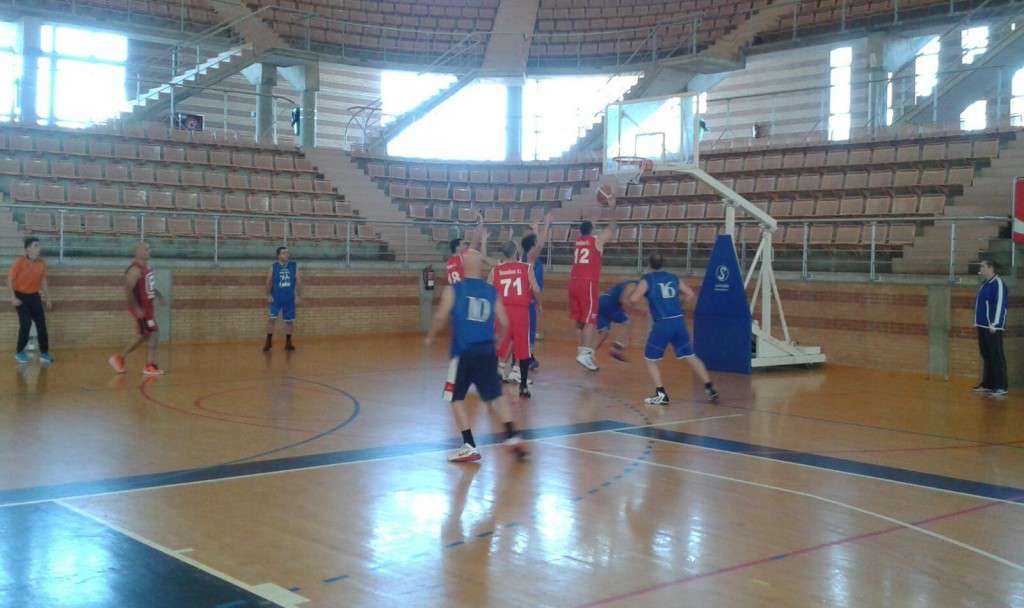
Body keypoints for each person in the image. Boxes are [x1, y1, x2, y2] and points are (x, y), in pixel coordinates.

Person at [425, 249, 527, 463]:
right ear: (481, 268)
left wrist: (430, 337)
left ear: (462, 267)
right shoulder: (491, 290)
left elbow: (440, 317)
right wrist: (497, 340)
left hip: (463, 352)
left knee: (455, 397)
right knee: (495, 396)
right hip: (487, 351)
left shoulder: (454, 289)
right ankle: (512, 436)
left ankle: (469, 445)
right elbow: (505, 322)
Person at [628, 253, 719, 405]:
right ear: (663, 263)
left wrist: (639, 300)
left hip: (662, 323)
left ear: (648, 264)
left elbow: (633, 299)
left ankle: (661, 394)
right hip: (678, 321)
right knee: (690, 355)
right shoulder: (673, 278)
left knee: (650, 359)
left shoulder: (647, 279)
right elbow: (690, 294)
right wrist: (678, 304)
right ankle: (709, 387)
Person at [569, 193, 617, 371]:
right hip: (587, 283)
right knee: (590, 320)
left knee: (580, 321)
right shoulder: (596, 241)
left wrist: (595, 213)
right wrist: (611, 208)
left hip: (573, 282)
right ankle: (585, 354)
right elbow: (612, 227)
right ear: (592, 230)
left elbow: (589, 226)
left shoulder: (578, 241)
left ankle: (582, 351)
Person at [490, 241, 542, 398]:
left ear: (503, 254)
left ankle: (494, 381)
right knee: (523, 349)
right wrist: (538, 303)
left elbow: (488, 289)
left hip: (502, 312)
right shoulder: (526, 268)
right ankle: (523, 386)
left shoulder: (496, 270)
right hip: (520, 312)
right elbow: (536, 289)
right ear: (515, 252)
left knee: (499, 346)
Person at [108, 241, 164, 376]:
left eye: (149, 249)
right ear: (138, 252)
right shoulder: (134, 270)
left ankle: (122, 359)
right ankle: (144, 364)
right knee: (149, 334)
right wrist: (136, 308)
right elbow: (128, 290)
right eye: (146, 249)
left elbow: (147, 286)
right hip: (142, 309)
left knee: (148, 334)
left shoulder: (146, 268)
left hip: (148, 308)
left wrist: (158, 294)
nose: (149, 251)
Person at [8, 237, 53, 365]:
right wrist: (13, 297)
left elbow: (43, 281)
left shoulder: (41, 263)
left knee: (41, 325)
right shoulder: (20, 261)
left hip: (34, 297)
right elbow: (10, 279)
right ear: (28, 248)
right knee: (26, 324)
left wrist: (48, 298)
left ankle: (44, 353)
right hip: (21, 297)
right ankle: (19, 352)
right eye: (36, 245)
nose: (39, 248)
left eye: (39, 245)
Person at [520, 213, 553, 370]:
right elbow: (540, 244)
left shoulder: (527, 256)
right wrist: (546, 224)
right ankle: (524, 359)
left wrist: (535, 229)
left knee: (527, 331)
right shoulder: (530, 257)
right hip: (529, 300)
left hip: (527, 299)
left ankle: (527, 357)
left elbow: (537, 243)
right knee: (529, 331)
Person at [973, 259, 1008, 396]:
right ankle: (988, 384)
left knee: (996, 355)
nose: (980, 269)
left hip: (992, 327)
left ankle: (1000, 386)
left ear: (990, 268)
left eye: (983, 266)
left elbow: (1000, 305)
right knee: (986, 355)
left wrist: (996, 324)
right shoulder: (985, 283)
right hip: (982, 325)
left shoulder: (998, 283)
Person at [264, 246, 301, 352]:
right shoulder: (274, 267)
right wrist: (269, 295)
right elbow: (268, 282)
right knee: (271, 319)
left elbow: (298, 281)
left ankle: (288, 343)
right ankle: (268, 343)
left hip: (289, 299)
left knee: (289, 321)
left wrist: (297, 296)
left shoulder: (293, 266)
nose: (286, 255)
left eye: (287, 253)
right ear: (278, 255)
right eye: (284, 253)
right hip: (276, 298)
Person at [595, 279, 639, 363]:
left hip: (600, 303)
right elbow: (623, 300)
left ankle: (587, 355)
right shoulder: (634, 284)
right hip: (609, 305)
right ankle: (616, 348)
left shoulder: (626, 283)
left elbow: (621, 299)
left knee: (604, 333)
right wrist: (634, 311)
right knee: (628, 323)